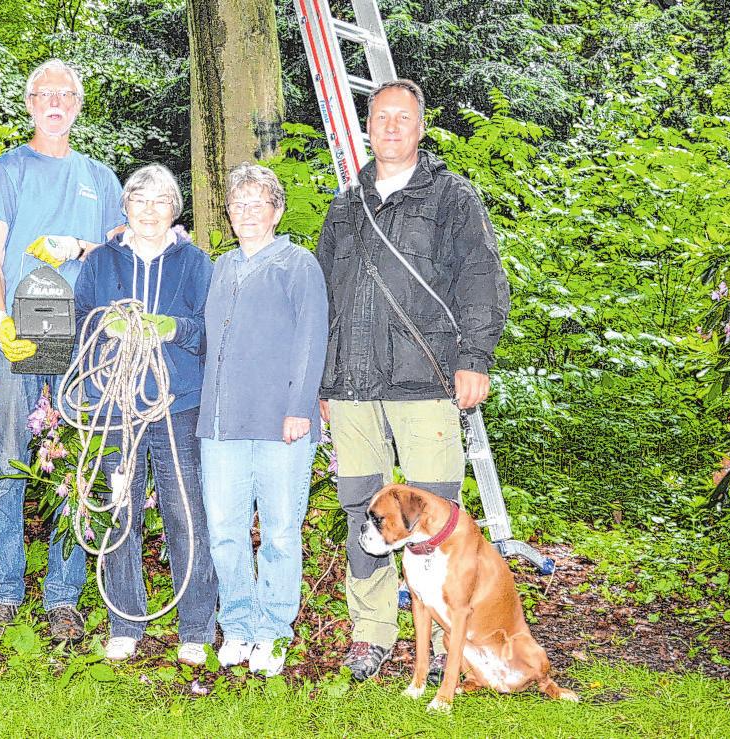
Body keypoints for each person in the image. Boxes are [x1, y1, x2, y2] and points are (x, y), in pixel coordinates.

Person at [316, 79, 510, 682]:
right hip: (351, 391)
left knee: (436, 517)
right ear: (366, 130)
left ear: (421, 128)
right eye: (380, 119)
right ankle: (371, 638)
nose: (391, 128)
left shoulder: (453, 199)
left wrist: (474, 356)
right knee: (361, 513)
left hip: (425, 384)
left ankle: (457, 638)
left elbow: (482, 279)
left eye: (403, 119)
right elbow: (324, 300)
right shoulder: (346, 208)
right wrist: (323, 382)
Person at [0, 59, 124, 643]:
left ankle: (63, 598)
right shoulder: (7, 169)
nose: (55, 102)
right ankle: (4, 593)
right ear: (30, 102)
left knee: (73, 466)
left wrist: (82, 245)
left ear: (78, 105)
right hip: (20, 330)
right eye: (44, 94)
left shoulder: (102, 178)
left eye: (66, 94)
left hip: (78, 336)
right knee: (10, 459)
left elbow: (119, 253)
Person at [72, 164, 217, 666]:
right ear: (125, 207)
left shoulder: (196, 262)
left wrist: (173, 329)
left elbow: (210, 329)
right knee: (119, 512)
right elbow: (80, 322)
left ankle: (196, 626)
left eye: (161, 201)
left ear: (175, 210)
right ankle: (125, 621)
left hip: (179, 405)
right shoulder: (100, 262)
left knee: (185, 514)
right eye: (140, 199)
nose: (150, 210)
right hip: (115, 405)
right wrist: (103, 325)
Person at [197, 163, 328, 677]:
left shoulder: (298, 264)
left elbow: (312, 339)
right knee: (225, 530)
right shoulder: (221, 267)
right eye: (238, 204)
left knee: (278, 532)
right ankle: (239, 626)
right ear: (228, 214)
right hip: (223, 425)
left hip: (282, 425)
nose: (247, 212)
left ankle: (273, 631)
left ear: (276, 210)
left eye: (258, 203)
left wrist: (299, 407)